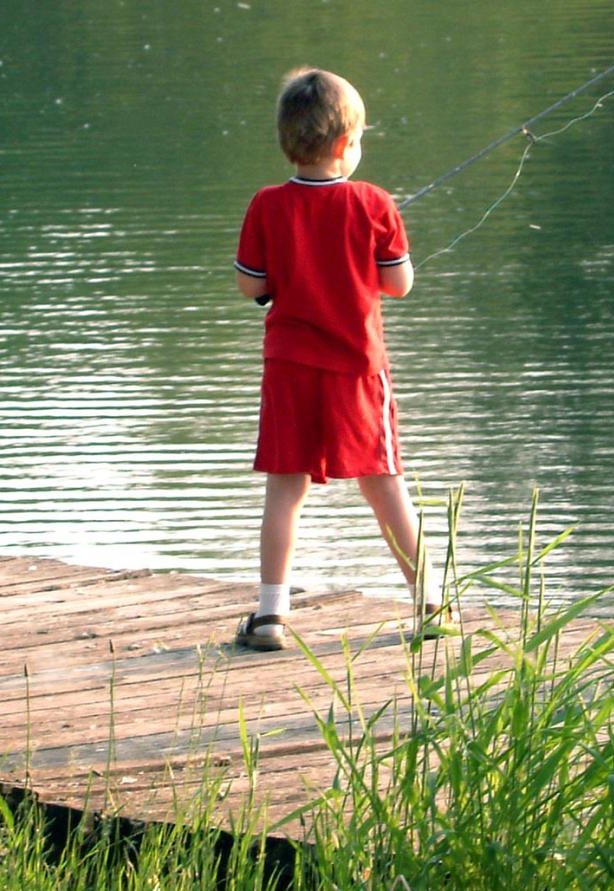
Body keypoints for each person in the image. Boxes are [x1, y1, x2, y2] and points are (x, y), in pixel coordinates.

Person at [231, 67, 443, 652]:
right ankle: (428, 602)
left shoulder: (266, 205)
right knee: (384, 485)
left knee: (284, 491)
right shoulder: (374, 202)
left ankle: (271, 614)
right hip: (357, 370)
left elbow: (252, 286)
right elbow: (398, 284)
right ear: (347, 145)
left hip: (290, 368)